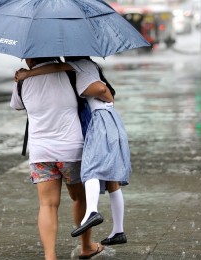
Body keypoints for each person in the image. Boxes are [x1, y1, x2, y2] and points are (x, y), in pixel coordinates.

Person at [15, 56, 131, 246]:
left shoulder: (78, 64)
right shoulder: (82, 66)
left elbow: (99, 88)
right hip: (90, 132)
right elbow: (57, 67)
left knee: (90, 169)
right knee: (110, 180)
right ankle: (114, 232)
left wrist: (27, 75)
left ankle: (92, 213)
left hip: (92, 125)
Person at [10, 57, 103, 260]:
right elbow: (93, 93)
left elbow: (17, 105)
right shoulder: (70, 73)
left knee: (47, 205)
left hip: (40, 152)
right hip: (72, 150)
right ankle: (86, 246)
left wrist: (25, 78)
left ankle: (50, 256)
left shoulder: (22, 80)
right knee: (80, 198)